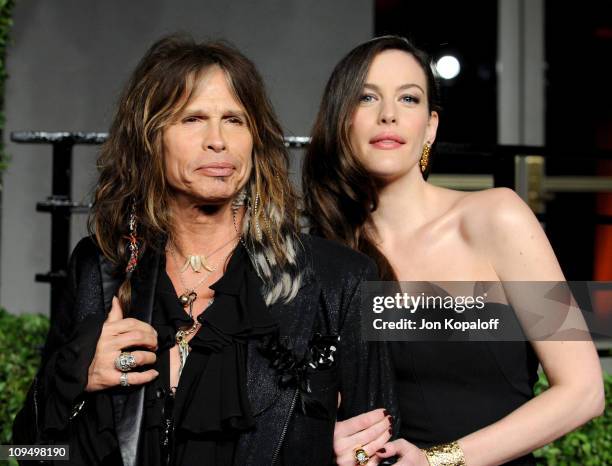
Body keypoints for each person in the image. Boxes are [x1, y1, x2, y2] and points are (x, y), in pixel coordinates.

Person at [12, 34, 398, 466]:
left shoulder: (340, 278)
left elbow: (381, 450)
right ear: (149, 139)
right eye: (192, 118)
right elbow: (26, 451)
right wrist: (73, 375)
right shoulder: (99, 266)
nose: (218, 140)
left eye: (234, 120)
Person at [302, 35, 605, 466]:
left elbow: (583, 392)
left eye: (409, 99)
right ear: (341, 119)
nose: (388, 115)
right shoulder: (325, 252)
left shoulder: (496, 217)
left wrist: (439, 461)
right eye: (367, 97)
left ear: (430, 127)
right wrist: (328, 439)